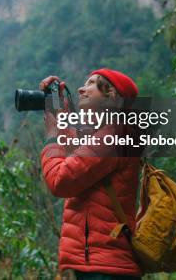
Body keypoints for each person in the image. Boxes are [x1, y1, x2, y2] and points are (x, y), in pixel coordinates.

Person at [39, 68, 142, 280]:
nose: (81, 88)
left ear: (111, 95)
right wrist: (59, 110)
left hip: (104, 267)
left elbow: (61, 181)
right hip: (101, 263)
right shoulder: (108, 134)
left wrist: (51, 137)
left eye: (92, 83)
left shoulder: (113, 134)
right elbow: (75, 156)